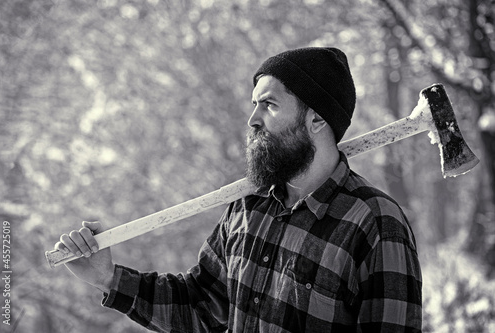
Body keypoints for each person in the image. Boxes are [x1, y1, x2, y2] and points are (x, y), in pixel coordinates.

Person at [54, 47, 422, 332]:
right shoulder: (250, 207)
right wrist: (108, 278)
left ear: (317, 119)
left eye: (270, 104)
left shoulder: (375, 225)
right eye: (254, 104)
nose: (253, 119)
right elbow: (201, 305)